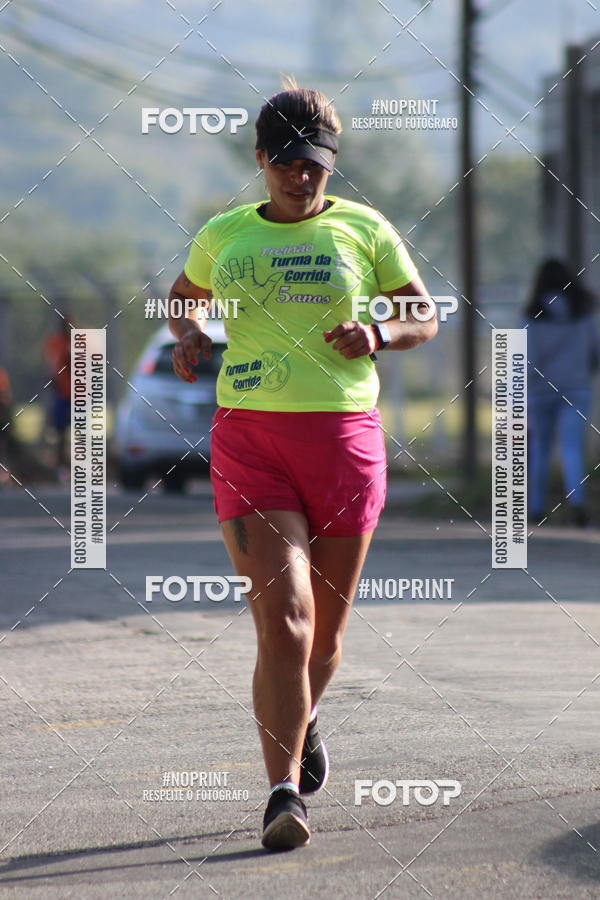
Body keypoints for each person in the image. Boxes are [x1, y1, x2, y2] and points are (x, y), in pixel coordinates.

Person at [168, 79, 437, 850]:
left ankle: (304, 719)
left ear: (332, 165)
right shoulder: (225, 235)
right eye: (286, 162)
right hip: (251, 442)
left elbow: (423, 311)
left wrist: (381, 335)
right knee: (284, 625)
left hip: (345, 445)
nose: (301, 175)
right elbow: (182, 296)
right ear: (260, 160)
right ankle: (283, 793)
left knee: (324, 642)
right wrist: (189, 333)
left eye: (315, 164)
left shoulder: (366, 230)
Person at [524, 259, 599, 527]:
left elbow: (527, 359)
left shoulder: (532, 315)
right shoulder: (583, 314)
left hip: (540, 392)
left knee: (540, 449)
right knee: (571, 449)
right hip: (576, 389)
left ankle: (535, 509)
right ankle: (577, 505)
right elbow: (595, 354)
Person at [44, 315, 72, 472]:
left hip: (76, 393)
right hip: (62, 392)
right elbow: (52, 366)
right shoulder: (56, 343)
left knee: (77, 427)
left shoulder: (77, 342)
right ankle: (61, 461)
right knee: (60, 429)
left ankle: (73, 459)